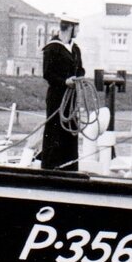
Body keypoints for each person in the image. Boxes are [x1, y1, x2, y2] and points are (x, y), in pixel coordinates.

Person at [40, 15, 85, 170]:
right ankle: (50, 166)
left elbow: (80, 69)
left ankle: (70, 167)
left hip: (72, 99)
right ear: (70, 27)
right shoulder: (52, 48)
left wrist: (79, 78)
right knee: (54, 130)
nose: (78, 31)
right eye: (77, 27)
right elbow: (48, 73)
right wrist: (65, 81)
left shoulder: (75, 49)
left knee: (70, 130)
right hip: (57, 98)